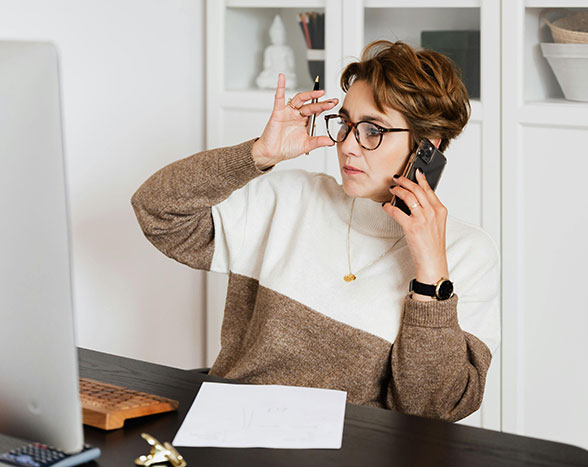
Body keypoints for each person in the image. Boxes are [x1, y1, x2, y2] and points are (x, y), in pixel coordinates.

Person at [131, 40, 500, 422]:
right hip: (231, 434)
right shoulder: (289, 198)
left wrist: (430, 277)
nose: (348, 146)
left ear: (428, 146)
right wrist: (257, 155)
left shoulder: (466, 253)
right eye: (346, 124)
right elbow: (157, 211)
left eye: (372, 130)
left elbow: (433, 409)